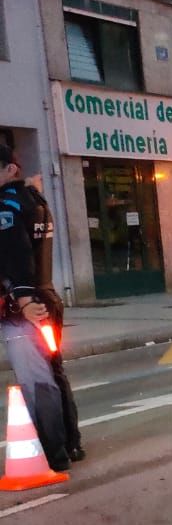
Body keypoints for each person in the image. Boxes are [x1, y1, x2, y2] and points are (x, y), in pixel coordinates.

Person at [0, 145, 74, 470]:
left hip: (24, 309)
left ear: (9, 169)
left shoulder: (6, 206)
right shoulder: (35, 200)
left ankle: (51, 453)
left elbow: (17, 254)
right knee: (54, 373)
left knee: (37, 381)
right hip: (48, 299)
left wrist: (24, 300)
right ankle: (71, 444)